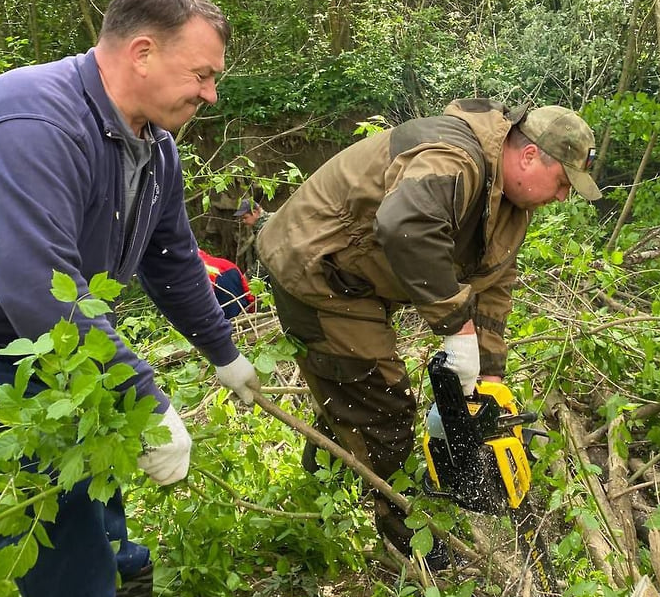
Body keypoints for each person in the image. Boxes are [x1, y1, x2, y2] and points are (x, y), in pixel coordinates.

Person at [0, 0, 262, 597]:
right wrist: (144, 390)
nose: (210, 94)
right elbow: (38, 291)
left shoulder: (153, 149)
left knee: (95, 489)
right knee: (49, 519)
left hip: (47, 343)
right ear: (141, 52)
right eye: (202, 74)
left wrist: (224, 353)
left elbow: (173, 262)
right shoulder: (29, 124)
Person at [256, 100, 600, 566]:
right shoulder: (454, 156)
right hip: (316, 267)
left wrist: (489, 374)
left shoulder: (512, 205)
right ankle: (404, 534)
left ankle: (325, 476)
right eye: (563, 183)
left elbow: (495, 286)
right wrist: (456, 329)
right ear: (529, 156)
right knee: (383, 405)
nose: (563, 197)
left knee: (359, 392)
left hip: (365, 277)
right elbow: (406, 228)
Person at [199, 249, 256, 319]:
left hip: (221, 320)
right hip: (243, 315)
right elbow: (248, 294)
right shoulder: (228, 264)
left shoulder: (197, 273)